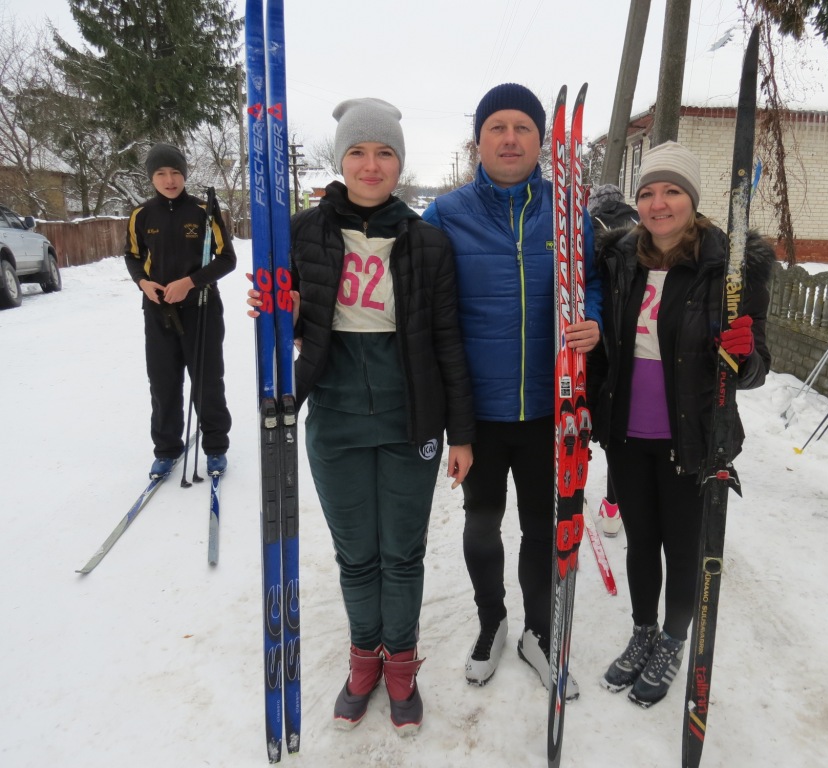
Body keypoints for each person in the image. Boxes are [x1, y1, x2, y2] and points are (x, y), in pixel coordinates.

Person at [247, 98, 475, 735]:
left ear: (400, 161)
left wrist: (462, 433)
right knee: (357, 557)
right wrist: (277, 311)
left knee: (401, 554)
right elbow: (282, 326)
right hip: (336, 418)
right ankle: (362, 657)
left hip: (411, 422)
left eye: (384, 153)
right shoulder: (300, 232)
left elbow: (448, 341)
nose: (371, 165)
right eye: (358, 152)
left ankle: (400, 662)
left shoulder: (428, 242)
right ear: (340, 159)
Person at [422, 83, 602, 697]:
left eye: (522, 127)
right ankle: (492, 621)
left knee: (543, 528)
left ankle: (539, 634)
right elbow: (411, 289)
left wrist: (594, 317)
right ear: (479, 140)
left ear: (540, 140)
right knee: (481, 523)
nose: (509, 138)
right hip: (477, 411)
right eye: (496, 127)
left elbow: (593, 282)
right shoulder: (446, 215)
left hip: (552, 410)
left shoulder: (570, 212)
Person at [588, 141, 773, 707]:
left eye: (671, 192)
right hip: (626, 430)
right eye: (647, 192)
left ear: (692, 199)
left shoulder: (731, 266)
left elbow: (755, 367)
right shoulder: (619, 258)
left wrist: (743, 356)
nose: (657, 204)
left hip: (691, 434)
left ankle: (673, 640)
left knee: (682, 546)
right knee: (641, 541)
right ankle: (644, 631)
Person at [125, 143, 236, 478]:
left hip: (200, 307)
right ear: (152, 178)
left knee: (207, 380)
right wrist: (143, 283)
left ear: (184, 174)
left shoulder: (204, 210)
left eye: (175, 172)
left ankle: (215, 447)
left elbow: (227, 259)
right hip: (158, 311)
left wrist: (191, 281)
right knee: (163, 382)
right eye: (161, 173)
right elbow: (132, 256)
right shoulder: (141, 215)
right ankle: (167, 449)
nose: (169, 180)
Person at [585, 183, 638, 536]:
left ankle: (600, 502)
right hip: (634, 327)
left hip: (600, 328)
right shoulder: (638, 222)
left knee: (600, 413)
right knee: (626, 426)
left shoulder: (589, 227)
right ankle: (615, 503)